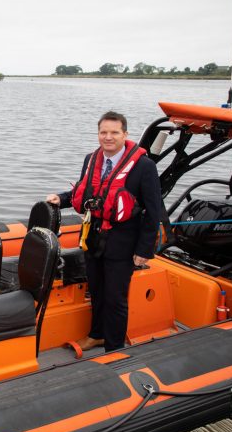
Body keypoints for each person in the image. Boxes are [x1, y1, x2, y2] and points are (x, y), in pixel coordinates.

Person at [46, 111, 161, 352]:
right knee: (96, 291)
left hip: (123, 242)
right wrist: (62, 199)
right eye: (103, 132)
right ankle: (97, 334)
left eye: (114, 132)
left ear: (125, 134)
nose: (108, 137)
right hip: (93, 238)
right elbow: (86, 191)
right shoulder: (91, 159)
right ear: (98, 134)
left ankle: (114, 347)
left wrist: (144, 250)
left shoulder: (144, 166)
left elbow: (154, 211)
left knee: (115, 298)